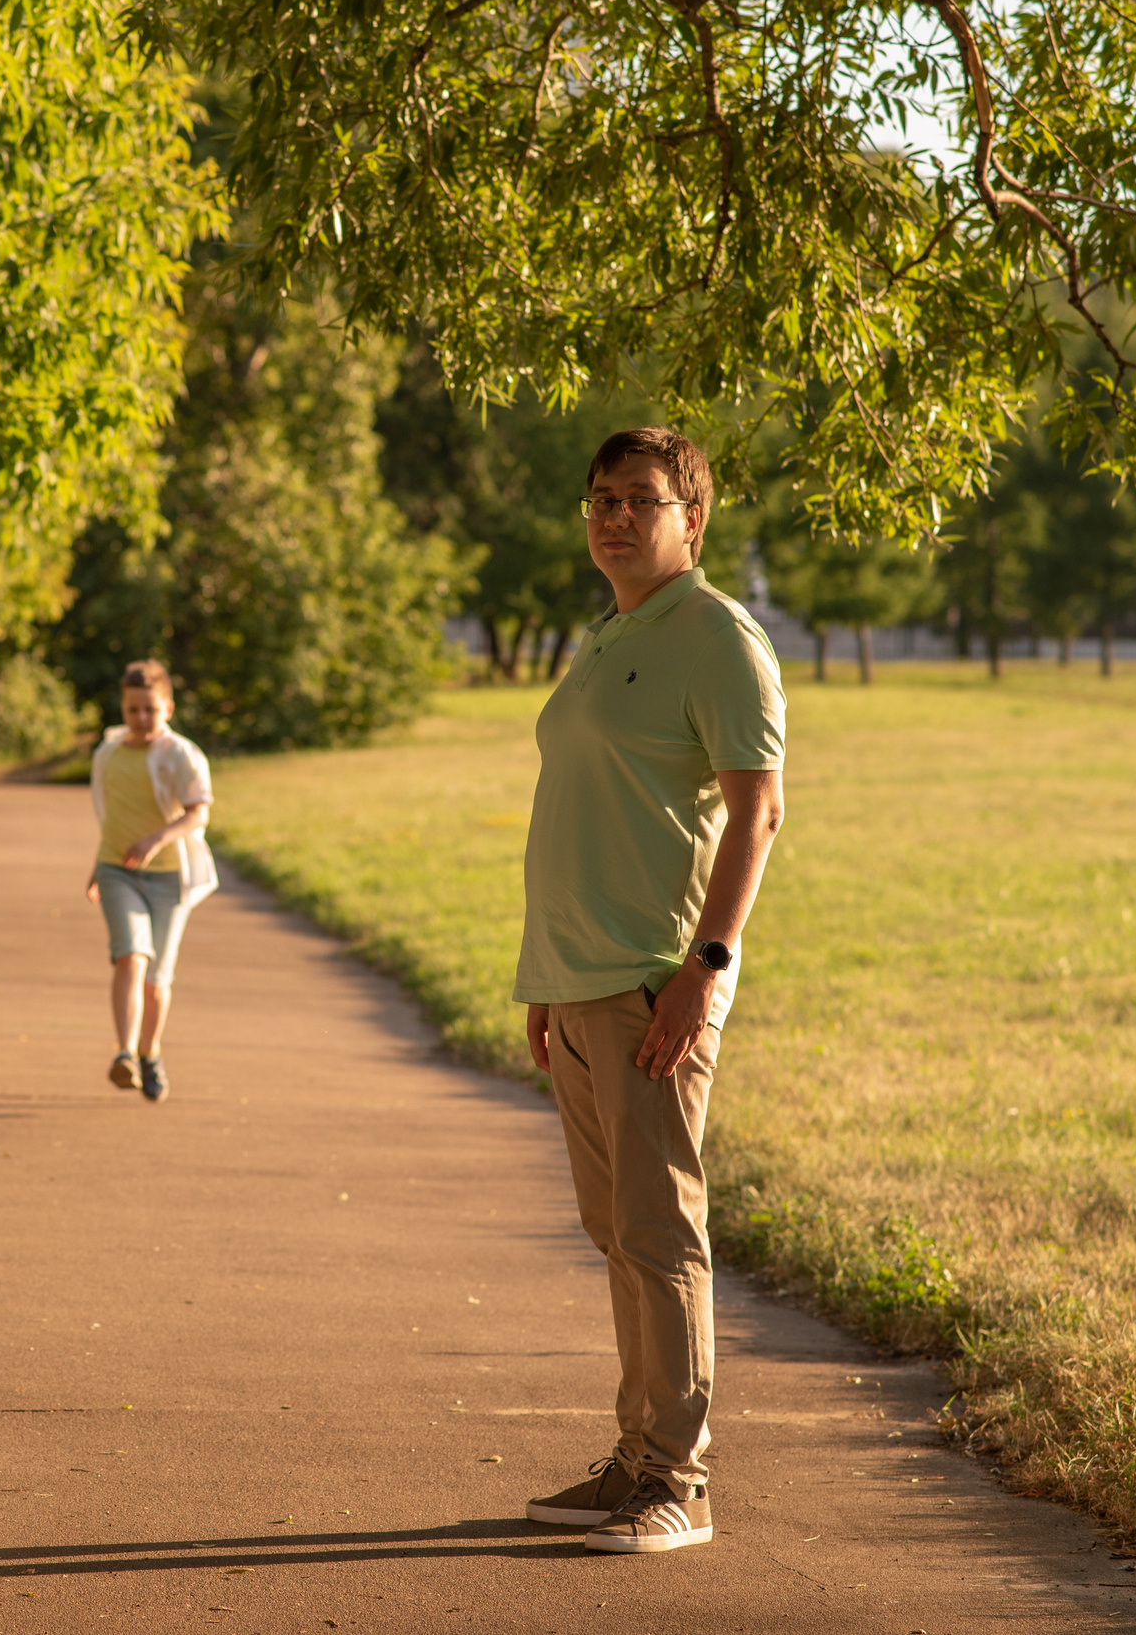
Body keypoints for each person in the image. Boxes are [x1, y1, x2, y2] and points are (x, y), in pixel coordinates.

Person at [513, 429, 785, 1555]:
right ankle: (634, 1455)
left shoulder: (717, 635)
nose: (613, 516)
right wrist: (540, 981)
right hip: (575, 981)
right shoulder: (611, 632)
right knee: (616, 1231)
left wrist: (703, 970)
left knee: (660, 1233)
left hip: (650, 983)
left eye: (639, 499)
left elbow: (757, 811)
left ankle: (681, 1479)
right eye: (600, 500)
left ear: (692, 518)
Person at [83, 660, 217, 1103]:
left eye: (150, 710)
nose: (141, 719)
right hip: (117, 870)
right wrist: (98, 864)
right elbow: (111, 815)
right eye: (132, 709)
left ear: (168, 709)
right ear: (122, 708)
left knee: (157, 979)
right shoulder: (108, 753)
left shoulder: (180, 754)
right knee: (131, 957)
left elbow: (200, 810)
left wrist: (159, 839)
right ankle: (123, 1053)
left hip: (168, 878)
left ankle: (149, 1052)